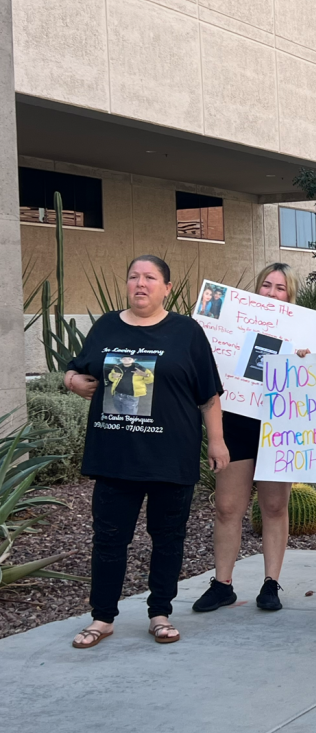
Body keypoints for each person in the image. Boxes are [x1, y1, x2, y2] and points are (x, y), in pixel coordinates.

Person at [65, 255, 229, 648]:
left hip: (170, 456)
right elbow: (75, 368)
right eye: (134, 277)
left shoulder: (186, 332)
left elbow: (209, 396)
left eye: (150, 278)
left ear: (166, 287)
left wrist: (218, 441)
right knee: (108, 539)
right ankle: (102, 618)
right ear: (127, 284)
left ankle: (161, 613)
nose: (141, 284)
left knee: (168, 538)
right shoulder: (107, 325)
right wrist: (73, 381)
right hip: (115, 456)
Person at [193, 263, 310, 615]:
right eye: (266, 285)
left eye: (280, 287)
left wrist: (306, 360)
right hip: (237, 420)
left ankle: (271, 584)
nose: (272, 293)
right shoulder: (234, 322)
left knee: (275, 506)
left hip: (279, 424)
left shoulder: (304, 331)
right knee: (228, 507)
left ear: (290, 294)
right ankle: (222, 584)